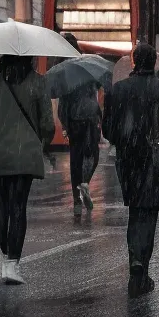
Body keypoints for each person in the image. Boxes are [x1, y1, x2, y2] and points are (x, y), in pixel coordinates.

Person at [103, 42, 159, 297]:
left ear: (134, 62)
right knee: (149, 215)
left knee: (134, 212)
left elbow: (108, 130)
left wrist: (126, 141)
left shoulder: (118, 91)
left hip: (129, 161)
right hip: (156, 161)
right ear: (154, 63)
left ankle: (135, 263)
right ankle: (144, 268)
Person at [0, 55, 55, 284]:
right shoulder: (37, 82)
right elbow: (47, 124)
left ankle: (5, 254)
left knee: (0, 202)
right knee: (18, 205)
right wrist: (42, 142)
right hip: (25, 152)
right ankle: (12, 263)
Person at [58, 63, 102, 217]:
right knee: (93, 155)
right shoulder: (88, 72)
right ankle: (85, 183)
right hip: (90, 120)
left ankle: (77, 198)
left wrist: (65, 125)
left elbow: (63, 105)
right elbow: (94, 95)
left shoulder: (66, 77)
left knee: (75, 159)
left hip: (75, 122)